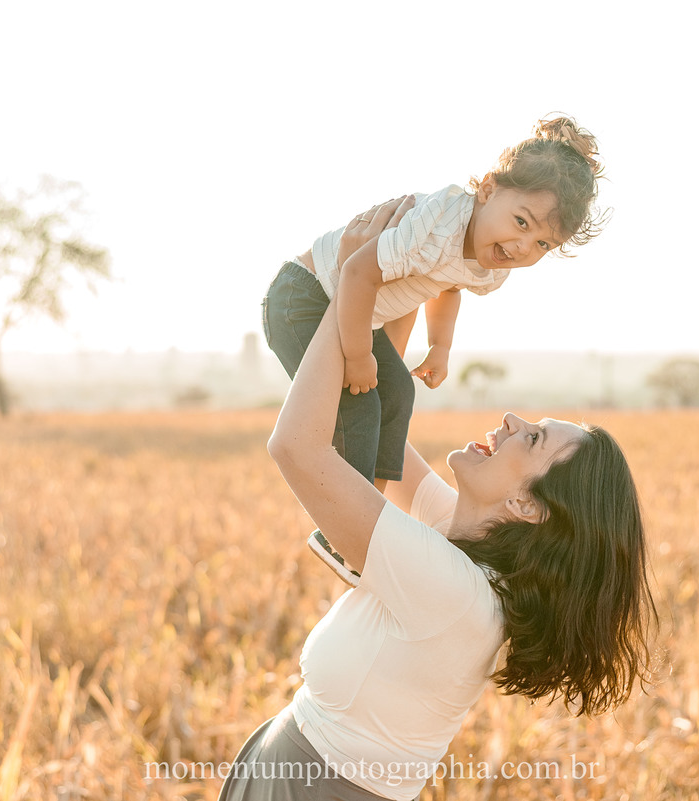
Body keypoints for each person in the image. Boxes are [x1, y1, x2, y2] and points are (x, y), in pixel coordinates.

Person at [221, 200, 657, 801]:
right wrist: (387, 290)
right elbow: (378, 429)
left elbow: (298, 447)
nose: (511, 419)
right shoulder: (463, 544)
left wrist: (350, 286)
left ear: (529, 507)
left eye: (532, 438)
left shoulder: (454, 591)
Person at [261, 115, 607, 585]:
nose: (522, 246)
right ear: (487, 189)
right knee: (359, 404)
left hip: (356, 310)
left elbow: (448, 285)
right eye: (521, 222)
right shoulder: (439, 221)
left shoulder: (492, 266)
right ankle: (342, 531)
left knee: (398, 393)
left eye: (542, 243)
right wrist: (359, 357)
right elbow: (358, 271)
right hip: (305, 297)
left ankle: (366, 515)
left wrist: (439, 346)